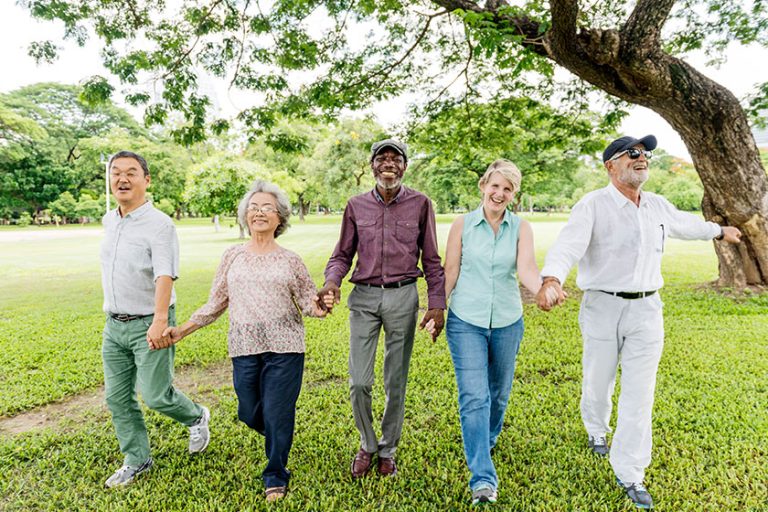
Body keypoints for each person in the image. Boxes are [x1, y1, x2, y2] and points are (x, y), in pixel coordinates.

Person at [536, 135, 742, 509]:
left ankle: (630, 471)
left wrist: (719, 230)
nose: (641, 158)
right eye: (632, 153)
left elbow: (685, 224)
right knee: (598, 381)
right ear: (610, 166)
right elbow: (568, 245)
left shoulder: (657, 205)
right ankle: (597, 431)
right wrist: (551, 280)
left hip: (648, 310)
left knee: (639, 392)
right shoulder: (593, 205)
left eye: (645, 153)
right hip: (602, 306)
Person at [155, 180, 331, 503]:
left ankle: (275, 473)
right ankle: (278, 432)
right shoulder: (232, 255)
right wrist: (182, 330)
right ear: (245, 217)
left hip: (286, 347)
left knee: (278, 412)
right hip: (244, 346)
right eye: (253, 207)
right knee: (249, 411)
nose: (259, 212)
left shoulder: (291, 260)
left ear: (280, 218)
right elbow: (216, 302)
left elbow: (310, 303)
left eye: (267, 208)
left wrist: (324, 304)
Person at [318, 138, 446, 478]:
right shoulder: (356, 205)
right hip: (364, 298)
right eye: (382, 158)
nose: (388, 162)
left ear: (404, 167)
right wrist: (332, 282)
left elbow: (432, 259)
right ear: (372, 166)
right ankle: (368, 443)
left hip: (404, 298)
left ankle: (388, 449)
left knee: (395, 381)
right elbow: (342, 254)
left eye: (396, 158)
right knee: (359, 381)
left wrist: (437, 305)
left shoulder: (421, 204)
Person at [100, 150, 210, 488]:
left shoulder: (160, 224)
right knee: (117, 398)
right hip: (113, 325)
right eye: (116, 172)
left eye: (131, 172)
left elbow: (165, 274)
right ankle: (137, 459)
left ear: (146, 180)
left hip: (150, 320)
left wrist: (159, 320)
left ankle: (196, 415)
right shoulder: (109, 219)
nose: (122, 179)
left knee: (156, 395)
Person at [439, 159, 544, 506]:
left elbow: (526, 270)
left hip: (507, 321)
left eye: (508, 189)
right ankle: (482, 477)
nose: (500, 193)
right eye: (495, 185)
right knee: (474, 396)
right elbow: (450, 270)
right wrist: (436, 307)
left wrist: (542, 288)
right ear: (483, 186)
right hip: (465, 319)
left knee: (498, 394)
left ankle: (486, 436)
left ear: (514, 195)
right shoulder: (462, 224)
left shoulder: (521, 227)